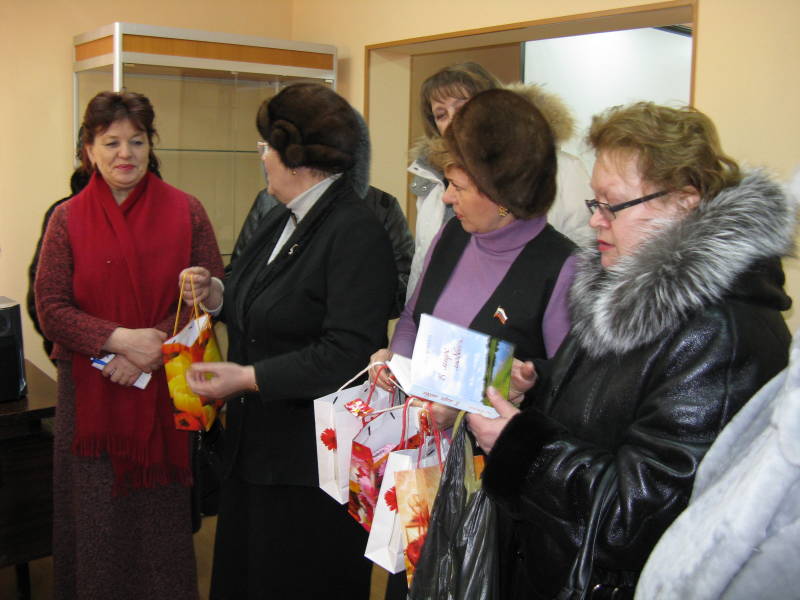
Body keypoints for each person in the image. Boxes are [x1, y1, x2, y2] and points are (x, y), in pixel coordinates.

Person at [467, 102, 795, 599]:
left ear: (684, 202)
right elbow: (614, 402)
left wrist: (522, 448)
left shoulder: (719, 336)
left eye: (612, 204)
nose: (595, 221)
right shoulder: (628, 288)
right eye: (594, 202)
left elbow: (639, 518)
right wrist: (538, 386)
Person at [180, 83, 397, 599]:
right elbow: (259, 300)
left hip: (310, 467)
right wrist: (216, 294)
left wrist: (248, 378)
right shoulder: (282, 215)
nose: (262, 158)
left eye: (265, 147)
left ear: (294, 157)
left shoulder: (355, 230)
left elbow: (347, 353)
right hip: (257, 452)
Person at [371, 88, 578, 597]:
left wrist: (469, 405)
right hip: (421, 471)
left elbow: (565, 392)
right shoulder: (453, 237)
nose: (446, 198)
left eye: (458, 186)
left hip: (490, 495)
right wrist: (395, 363)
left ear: (502, 194)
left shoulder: (561, 266)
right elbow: (413, 320)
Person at [34, 91, 224, 600]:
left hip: (163, 391)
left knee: (159, 524)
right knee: (94, 520)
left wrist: (151, 350)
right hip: (91, 396)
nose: (125, 153)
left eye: (137, 141)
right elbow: (51, 308)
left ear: (150, 146)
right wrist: (119, 343)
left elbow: (207, 297)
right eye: (111, 142)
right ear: (89, 150)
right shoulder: (67, 218)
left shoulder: (187, 210)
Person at [406, 62, 592, 301]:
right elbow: (423, 263)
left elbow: (583, 255)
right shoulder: (434, 178)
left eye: (463, 107)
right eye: (441, 114)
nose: (453, 120)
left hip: (527, 310)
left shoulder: (561, 169)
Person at [230, 182, 413, 318]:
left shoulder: (381, 205)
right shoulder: (269, 201)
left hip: (350, 346)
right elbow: (237, 275)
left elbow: (405, 287)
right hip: (273, 345)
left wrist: (351, 298)